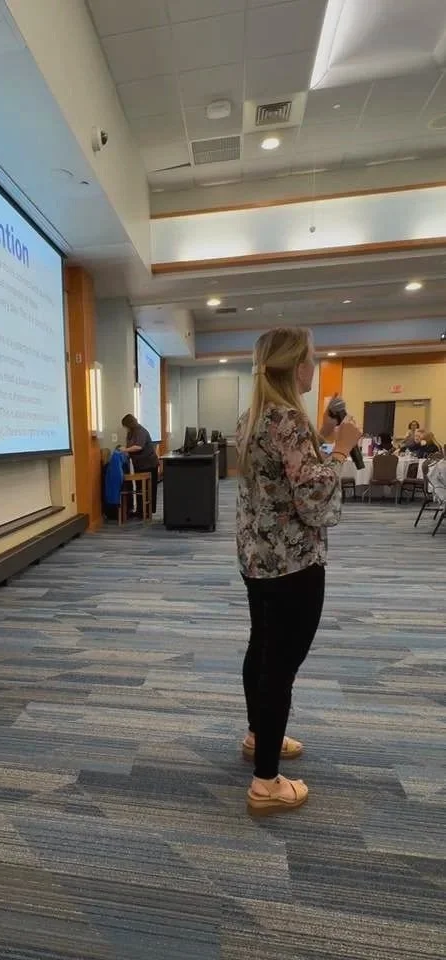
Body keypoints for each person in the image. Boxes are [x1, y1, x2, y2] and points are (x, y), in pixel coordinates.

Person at [236, 327, 362, 813]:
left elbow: (287, 480)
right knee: (280, 668)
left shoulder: (254, 416)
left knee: (262, 648)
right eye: (311, 358)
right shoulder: (288, 420)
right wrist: (345, 448)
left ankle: (257, 735)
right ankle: (266, 782)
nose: (316, 366)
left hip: (258, 559)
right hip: (292, 564)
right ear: (295, 367)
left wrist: (327, 440)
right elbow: (312, 501)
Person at [120, 414, 160, 515]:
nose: (126, 429)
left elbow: (138, 447)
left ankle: (148, 511)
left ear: (130, 424)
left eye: (126, 426)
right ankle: (140, 510)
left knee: (148, 488)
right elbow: (130, 446)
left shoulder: (141, 431)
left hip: (149, 464)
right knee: (139, 488)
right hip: (139, 464)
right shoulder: (131, 433)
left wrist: (125, 450)